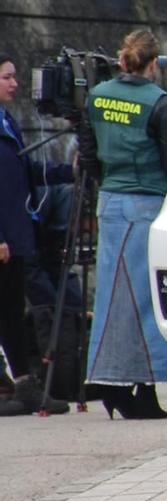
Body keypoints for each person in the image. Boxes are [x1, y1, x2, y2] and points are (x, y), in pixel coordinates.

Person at [82, 30, 167, 418]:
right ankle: (140, 386)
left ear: (123, 61)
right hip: (148, 203)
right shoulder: (160, 103)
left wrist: (106, 182)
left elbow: (87, 154)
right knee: (145, 300)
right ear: (153, 63)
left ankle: (111, 381)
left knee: (111, 297)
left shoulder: (97, 95)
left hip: (111, 201)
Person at [0, 58, 72, 415]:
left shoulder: (6, 121)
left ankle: (25, 382)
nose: (15, 84)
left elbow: (24, 170)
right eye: (7, 77)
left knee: (13, 310)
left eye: (15, 77)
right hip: (4, 236)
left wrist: (65, 173)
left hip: (16, 234)